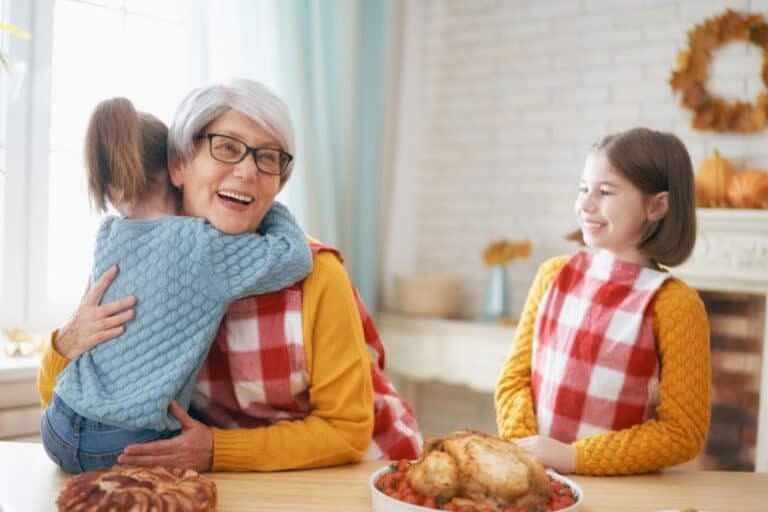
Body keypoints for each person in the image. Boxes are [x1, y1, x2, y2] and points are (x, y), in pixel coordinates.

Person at [37, 79, 422, 473]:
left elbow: (348, 432)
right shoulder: (143, 259)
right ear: (178, 165)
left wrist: (217, 449)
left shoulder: (318, 275)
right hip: (238, 481)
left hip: (358, 475)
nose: (247, 171)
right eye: (226, 147)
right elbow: (67, 402)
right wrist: (67, 342)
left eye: (268, 158)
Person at [40, 97, 313, 474]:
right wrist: (268, 202)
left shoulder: (107, 235)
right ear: (176, 169)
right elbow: (295, 256)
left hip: (58, 425)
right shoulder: (203, 245)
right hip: (123, 444)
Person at [495, 127, 711, 476]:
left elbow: (682, 432)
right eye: (583, 188)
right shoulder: (552, 275)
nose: (585, 204)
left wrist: (573, 457)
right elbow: (513, 380)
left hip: (620, 491)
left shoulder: (675, 306)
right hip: (537, 479)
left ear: (657, 205)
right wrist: (529, 451)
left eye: (606, 191)